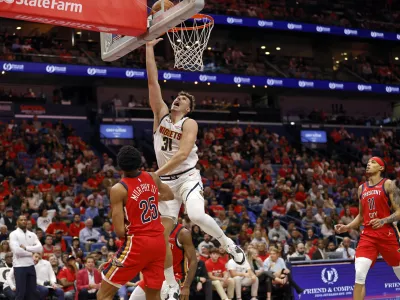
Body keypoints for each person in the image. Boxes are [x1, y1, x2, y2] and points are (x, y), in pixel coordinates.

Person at [146, 38, 245, 299]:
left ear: (189, 108)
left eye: (183, 99)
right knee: (159, 237)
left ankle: (227, 243)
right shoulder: (161, 115)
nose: (177, 100)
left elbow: (181, 154)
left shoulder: (190, 123)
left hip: (187, 177)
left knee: (197, 216)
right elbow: (152, 82)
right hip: (166, 183)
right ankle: (170, 284)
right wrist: (148, 48)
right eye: (176, 97)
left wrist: (155, 173)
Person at [97, 145, 174, 300]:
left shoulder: (119, 189)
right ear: (140, 162)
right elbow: (169, 195)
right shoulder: (152, 177)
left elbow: (119, 231)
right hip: (158, 243)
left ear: (120, 166)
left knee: (103, 294)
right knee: (153, 296)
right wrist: (150, 197)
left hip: (137, 243)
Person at [335, 156, 400, 300]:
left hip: (387, 233)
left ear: (381, 168)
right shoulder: (361, 188)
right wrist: (347, 226)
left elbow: (399, 212)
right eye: (368, 162)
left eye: (373, 162)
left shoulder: (389, 184)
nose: (368, 164)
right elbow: (361, 216)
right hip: (368, 235)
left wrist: (384, 220)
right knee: (359, 274)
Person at [130, 222, 198, 300]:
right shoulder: (154, 228)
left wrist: (186, 286)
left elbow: (193, 261)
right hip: (157, 274)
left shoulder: (182, 233)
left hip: (176, 277)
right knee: (134, 298)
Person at [9, 215, 42, 300]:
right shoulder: (13, 234)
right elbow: (17, 251)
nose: (24, 221)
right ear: (17, 222)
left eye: (25, 220)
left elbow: (40, 248)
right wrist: (32, 253)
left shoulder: (32, 234)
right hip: (19, 266)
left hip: (31, 266)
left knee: (32, 293)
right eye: (21, 220)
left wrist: (26, 248)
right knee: (21, 293)